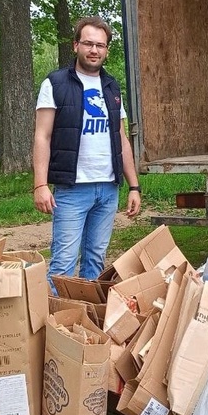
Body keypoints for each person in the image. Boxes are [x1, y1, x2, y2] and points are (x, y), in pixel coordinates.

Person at [33, 16, 141, 294]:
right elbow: (42, 136)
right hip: (72, 190)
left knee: (95, 262)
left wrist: (134, 186)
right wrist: (40, 185)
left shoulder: (111, 87)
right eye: (89, 44)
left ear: (106, 50)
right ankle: (54, 330)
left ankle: (84, 325)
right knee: (63, 266)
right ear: (76, 45)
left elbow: (121, 139)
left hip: (107, 189)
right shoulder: (55, 83)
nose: (94, 50)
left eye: (100, 45)